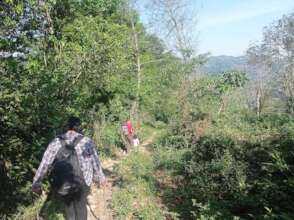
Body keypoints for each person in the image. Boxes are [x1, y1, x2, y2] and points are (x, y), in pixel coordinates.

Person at [32, 116, 106, 220]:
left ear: (65, 127)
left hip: (62, 181)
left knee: (68, 209)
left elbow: (45, 163)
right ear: (79, 127)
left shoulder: (56, 142)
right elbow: (95, 162)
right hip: (83, 181)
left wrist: (37, 183)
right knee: (81, 207)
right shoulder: (87, 141)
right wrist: (101, 178)